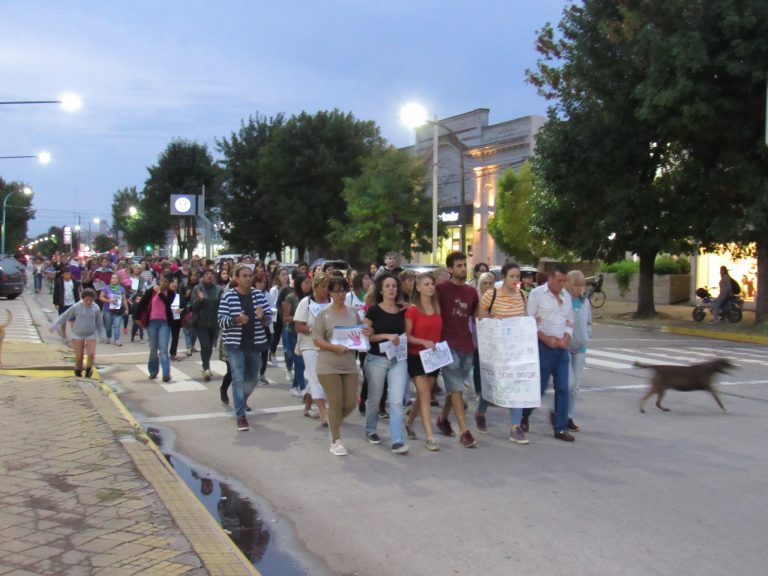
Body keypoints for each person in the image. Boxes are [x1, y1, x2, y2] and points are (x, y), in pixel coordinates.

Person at [474, 262, 529, 444]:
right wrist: (494, 321)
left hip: (516, 349)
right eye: (512, 276)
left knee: (517, 386)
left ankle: (515, 427)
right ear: (504, 277)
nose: (515, 280)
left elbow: (524, 318)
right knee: (493, 384)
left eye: (517, 276)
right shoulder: (493, 294)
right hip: (497, 348)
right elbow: (480, 314)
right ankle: (480, 411)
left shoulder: (522, 295)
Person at [312, 276, 363, 456]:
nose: (340, 294)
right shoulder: (323, 314)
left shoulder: (352, 312)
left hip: (349, 363)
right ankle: (336, 440)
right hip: (328, 364)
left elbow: (359, 334)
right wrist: (334, 347)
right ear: (330, 293)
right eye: (336, 291)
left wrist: (365, 333)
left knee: (350, 402)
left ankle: (333, 423)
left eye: (343, 290)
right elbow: (316, 339)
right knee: (336, 401)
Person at [218, 264, 272, 431]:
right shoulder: (228, 297)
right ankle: (240, 415)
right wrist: (235, 320)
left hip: (255, 344)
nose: (248, 278)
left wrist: (263, 317)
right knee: (238, 379)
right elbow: (221, 321)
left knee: (253, 379)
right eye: (245, 276)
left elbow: (269, 319)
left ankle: (240, 400)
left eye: (250, 276)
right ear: (236, 278)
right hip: (235, 345)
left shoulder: (259, 296)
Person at [525, 264, 575, 442]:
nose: (562, 284)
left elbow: (570, 321)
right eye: (559, 280)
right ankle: (525, 414)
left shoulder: (566, 296)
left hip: (561, 347)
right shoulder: (537, 294)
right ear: (550, 279)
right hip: (543, 346)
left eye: (564, 281)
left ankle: (560, 427)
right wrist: (545, 338)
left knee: (563, 387)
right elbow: (530, 320)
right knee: (539, 388)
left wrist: (566, 339)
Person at [363, 273, 410, 454]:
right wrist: (386, 336)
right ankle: (371, 429)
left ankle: (397, 439)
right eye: (388, 286)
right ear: (381, 290)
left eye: (394, 285)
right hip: (376, 359)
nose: (392, 289)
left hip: (398, 359)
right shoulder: (373, 310)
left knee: (397, 400)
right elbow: (366, 334)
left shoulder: (402, 310)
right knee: (375, 398)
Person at [435, 252, 478, 448]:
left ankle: (443, 419)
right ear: (450, 269)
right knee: (457, 387)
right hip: (446, 345)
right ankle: (464, 431)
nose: (463, 268)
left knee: (455, 389)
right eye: (459, 265)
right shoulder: (440, 289)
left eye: (464, 264)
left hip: (467, 346)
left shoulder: (471, 292)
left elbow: (478, 315)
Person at [404, 272, 443, 451]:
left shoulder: (437, 307)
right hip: (416, 355)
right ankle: (429, 436)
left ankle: (409, 422)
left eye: (432, 284)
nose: (430, 287)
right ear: (418, 288)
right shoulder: (412, 310)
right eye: (426, 284)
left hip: (433, 356)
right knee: (425, 393)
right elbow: (407, 336)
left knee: (423, 395)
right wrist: (423, 342)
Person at [294, 273, 330, 420]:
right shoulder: (306, 302)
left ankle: (307, 407)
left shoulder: (331, 302)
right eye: (322, 286)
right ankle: (324, 413)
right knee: (316, 377)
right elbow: (298, 326)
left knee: (316, 376)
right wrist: (313, 329)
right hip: (308, 344)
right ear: (315, 287)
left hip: (325, 345)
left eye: (327, 287)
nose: (325, 290)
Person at [52, 288, 105, 377]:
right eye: (86, 300)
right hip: (78, 334)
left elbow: (99, 323)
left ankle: (88, 371)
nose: (88, 302)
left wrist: (102, 334)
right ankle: (78, 371)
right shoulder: (76, 306)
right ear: (82, 299)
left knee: (91, 354)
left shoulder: (96, 308)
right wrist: (55, 324)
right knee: (79, 356)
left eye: (91, 300)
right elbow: (65, 316)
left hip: (90, 334)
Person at [136, 269, 176, 383]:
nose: (162, 283)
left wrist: (160, 293)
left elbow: (168, 303)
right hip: (152, 322)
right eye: (161, 280)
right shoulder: (151, 291)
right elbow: (142, 303)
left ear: (169, 283)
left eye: (165, 282)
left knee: (163, 349)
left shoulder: (171, 293)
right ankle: (153, 371)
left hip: (164, 323)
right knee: (153, 348)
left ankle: (166, 374)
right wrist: (137, 318)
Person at [564, 270, 591, 432]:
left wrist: (586, 336)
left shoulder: (585, 302)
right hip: (566, 347)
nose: (578, 289)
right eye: (576, 285)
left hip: (580, 348)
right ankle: (559, 411)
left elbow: (588, 322)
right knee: (568, 383)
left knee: (575, 386)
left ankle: (569, 416)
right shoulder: (564, 300)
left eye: (581, 286)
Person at [190, 268, 222, 381]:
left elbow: (222, 304)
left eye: (212, 274)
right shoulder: (197, 288)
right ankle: (207, 368)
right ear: (202, 277)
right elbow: (193, 306)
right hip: (201, 322)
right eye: (207, 274)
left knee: (210, 347)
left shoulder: (218, 289)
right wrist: (199, 300)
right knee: (205, 345)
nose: (209, 276)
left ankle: (205, 365)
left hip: (214, 322)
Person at [283, 273, 311, 396]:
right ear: (299, 284)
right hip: (292, 333)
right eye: (306, 282)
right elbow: (285, 318)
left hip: (305, 333)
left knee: (302, 361)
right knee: (299, 361)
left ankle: (295, 386)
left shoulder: (311, 298)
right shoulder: (291, 297)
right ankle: (301, 386)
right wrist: (299, 318)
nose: (309, 285)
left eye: (310, 282)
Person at [99, 273, 129, 346]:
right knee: (108, 326)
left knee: (117, 325)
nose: (114, 279)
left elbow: (124, 300)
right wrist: (108, 301)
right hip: (107, 310)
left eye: (116, 278)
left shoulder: (122, 289)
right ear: (110, 280)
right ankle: (108, 337)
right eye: (113, 278)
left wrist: (127, 309)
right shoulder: (105, 288)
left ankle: (117, 339)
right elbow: (101, 297)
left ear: (118, 280)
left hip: (118, 311)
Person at [53, 268, 81, 340]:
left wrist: (78, 302)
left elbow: (76, 293)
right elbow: (55, 293)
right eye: (66, 274)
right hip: (63, 303)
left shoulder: (74, 282)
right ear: (63, 275)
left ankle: (74, 334)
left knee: (73, 320)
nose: (68, 276)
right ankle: (64, 333)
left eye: (69, 274)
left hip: (72, 303)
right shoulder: (59, 282)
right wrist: (56, 303)